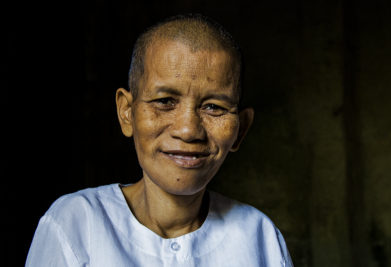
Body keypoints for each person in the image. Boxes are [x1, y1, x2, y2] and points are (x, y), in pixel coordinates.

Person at [26, 14, 293, 267]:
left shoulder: (260, 238)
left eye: (213, 107)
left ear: (241, 129)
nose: (188, 130)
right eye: (165, 102)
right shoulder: (76, 224)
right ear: (127, 113)